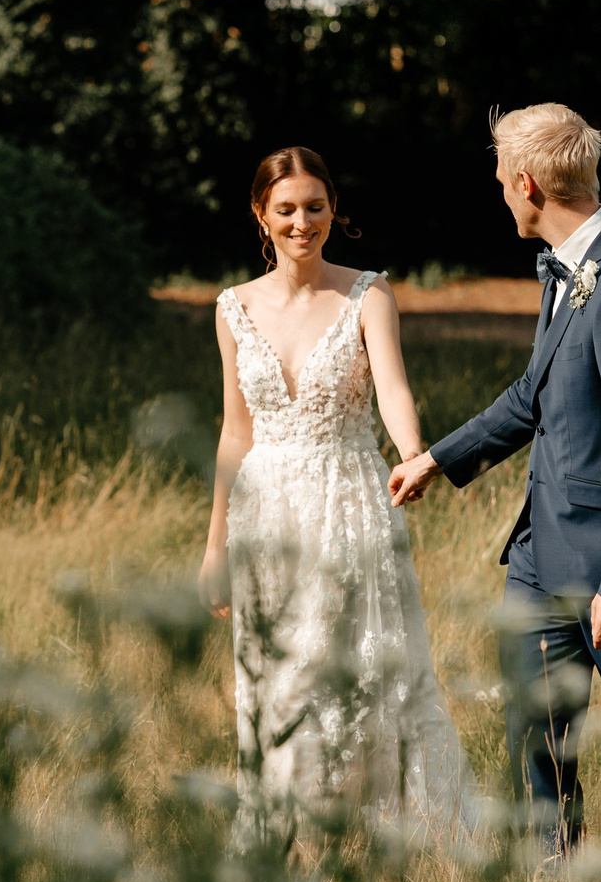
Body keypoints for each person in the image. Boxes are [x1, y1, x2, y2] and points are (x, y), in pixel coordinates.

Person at [386, 104, 601, 857]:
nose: (499, 192)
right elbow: (534, 394)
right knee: (538, 749)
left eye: (499, 180)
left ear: (526, 184)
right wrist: (437, 458)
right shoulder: (567, 270)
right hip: (538, 557)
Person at [200, 147, 471, 823]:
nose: (302, 222)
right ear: (261, 215)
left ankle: (384, 818)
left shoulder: (367, 293)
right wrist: (215, 546)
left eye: (315, 207)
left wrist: (413, 452)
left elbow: (393, 389)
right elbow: (236, 432)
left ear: (333, 210)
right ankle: (289, 825)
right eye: (286, 209)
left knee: (360, 666)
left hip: (347, 499)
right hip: (266, 513)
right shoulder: (232, 308)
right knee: (281, 677)